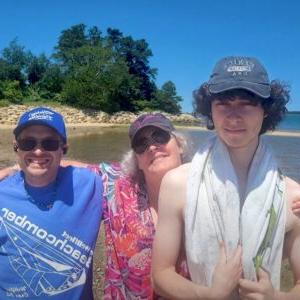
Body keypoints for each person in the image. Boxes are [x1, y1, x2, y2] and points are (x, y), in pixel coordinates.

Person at [152, 56, 300, 299]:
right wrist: (208, 295)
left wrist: (276, 297)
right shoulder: (178, 183)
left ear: (266, 111)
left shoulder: (292, 196)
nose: (233, 116)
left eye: (247, 103)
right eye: (223, 103)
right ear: (209, 108)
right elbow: (161, 275)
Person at [0, 107, 103, 299]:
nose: (38, 151)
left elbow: (139, 174)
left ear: (63, 148)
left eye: (49, 143)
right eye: (28, 142)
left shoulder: (91, 184)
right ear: (17, 147)